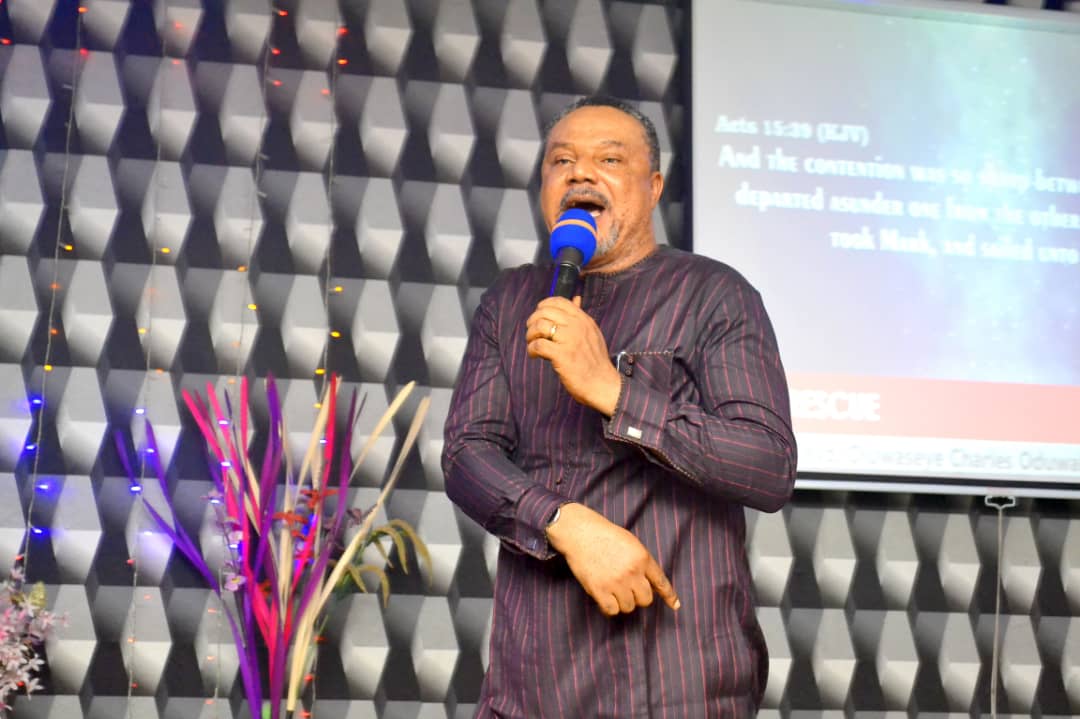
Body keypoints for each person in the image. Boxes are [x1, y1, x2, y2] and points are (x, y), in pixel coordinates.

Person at [442, 95, 797, 718]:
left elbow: (766, 465)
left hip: (679, 683)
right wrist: (566, 523)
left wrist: (613, 390)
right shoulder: (511, 300)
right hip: (533, 687)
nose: (580, 173)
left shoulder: (714, 294)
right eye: (561, 161)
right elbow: (467, 455)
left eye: (609, 159)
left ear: (652, 187)